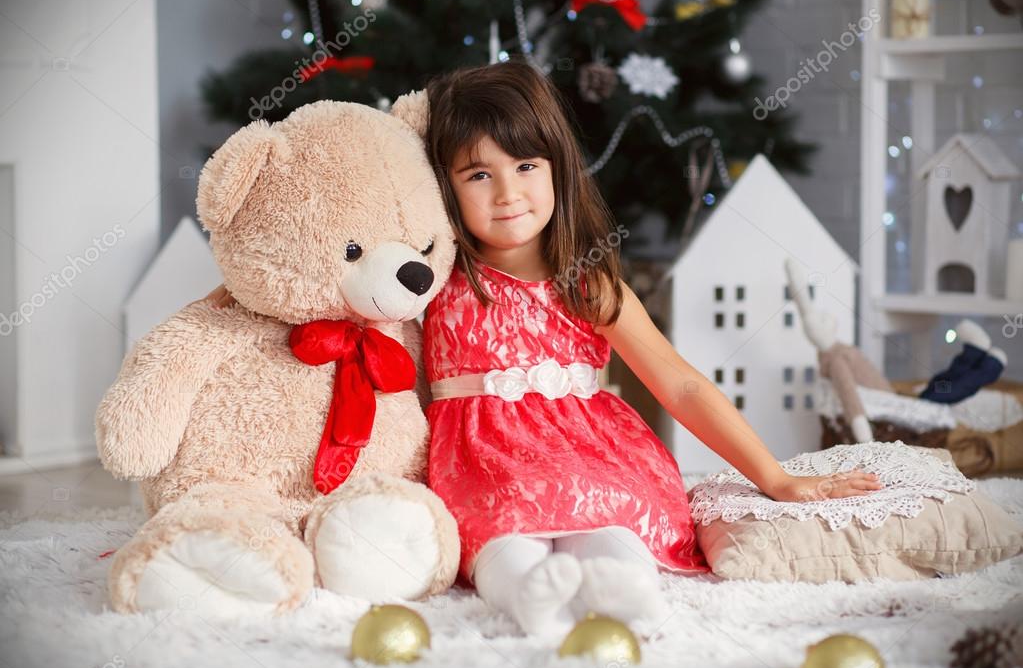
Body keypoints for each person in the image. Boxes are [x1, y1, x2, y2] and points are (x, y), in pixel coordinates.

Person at [203, 60, 883, 638]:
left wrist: (774, 477)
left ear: (556, 165)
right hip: (484, 457)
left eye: (525, 165)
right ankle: (530, 597)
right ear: (444, 187)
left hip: (592, 449)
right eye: (477, 175)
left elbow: (677, 386)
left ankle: (623, 588)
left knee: (608, 523)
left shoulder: (587, 278)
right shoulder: (438, 279)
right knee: (501, 539)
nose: (507, 193)